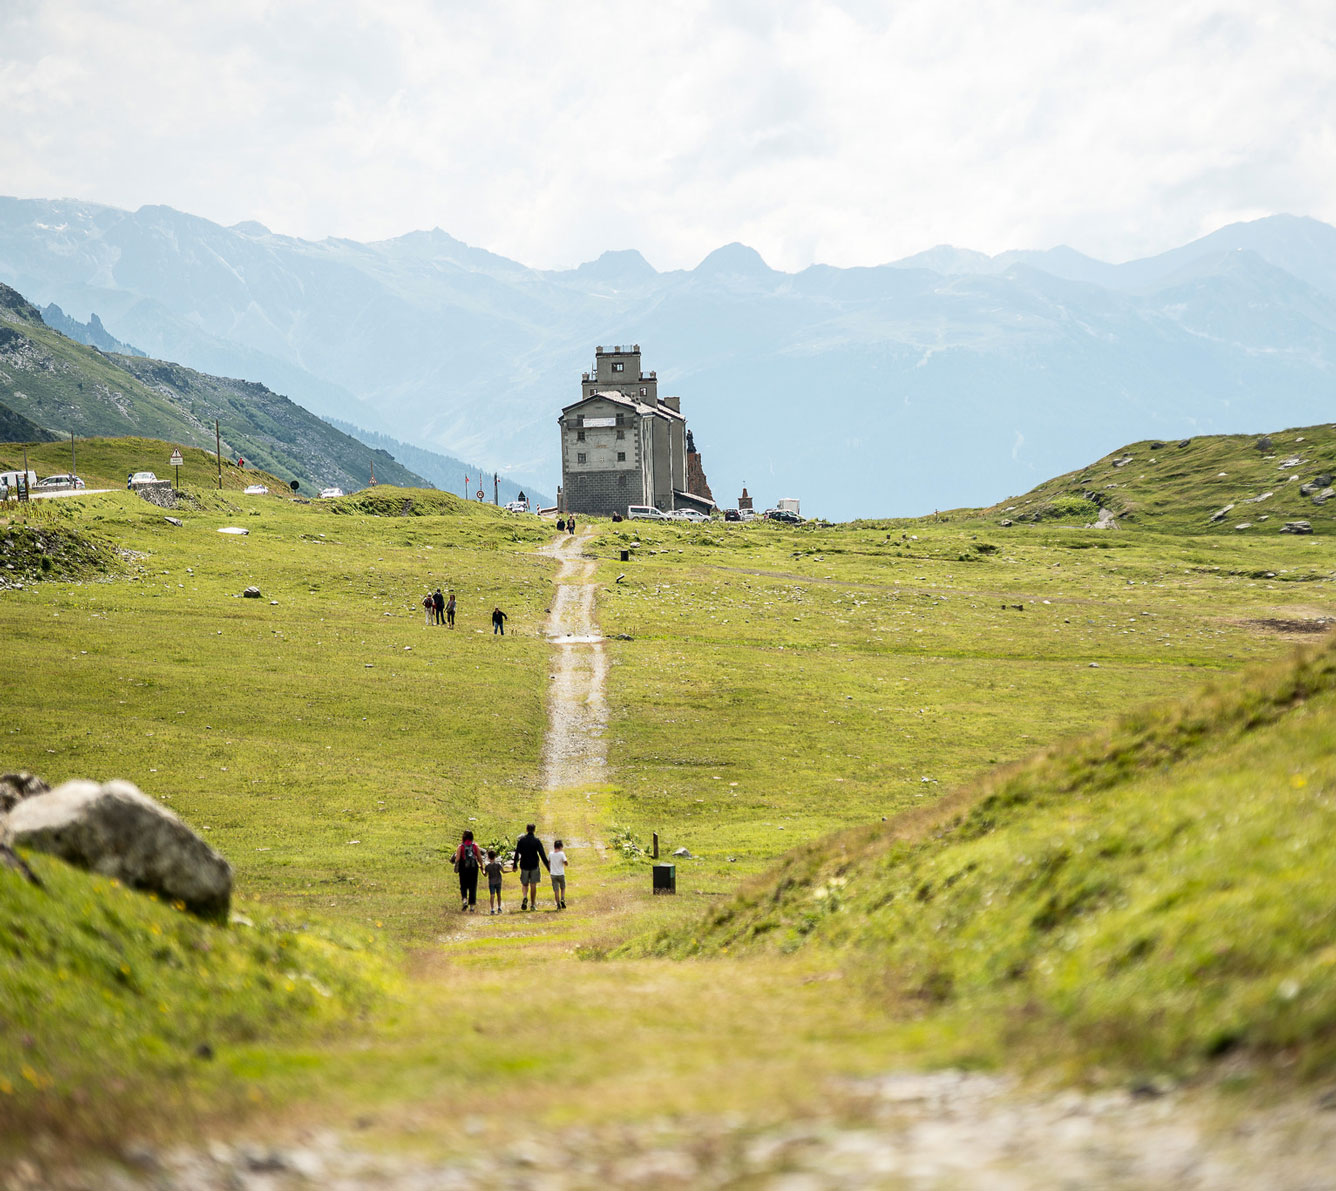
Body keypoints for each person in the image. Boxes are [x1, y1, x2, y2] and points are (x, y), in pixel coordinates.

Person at [513, 824, 549, 911]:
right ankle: (532, 905)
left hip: (524, 865)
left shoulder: (521, 841)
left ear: (526, 829)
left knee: (524, 884)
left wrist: (515, 865)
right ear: (534, 830)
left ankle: (525, 897)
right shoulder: (536, 841)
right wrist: (548, 866)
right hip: (534, 865)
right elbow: (542, 854)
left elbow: (517, 853)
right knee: (533, 885)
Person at [453, 830, 483, 912]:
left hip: (463, 869)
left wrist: (455, 866)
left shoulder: (460, 847)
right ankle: (472, 906)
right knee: (473, 886)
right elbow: (479, 858)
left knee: (463, 885)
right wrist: (482, 866)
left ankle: (465, 900)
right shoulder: (475, 846)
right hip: (473, 868)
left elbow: (458, 859)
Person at [549, 839, 569, 910]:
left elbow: (549, 862)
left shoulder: (551, 854)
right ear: (560, 847)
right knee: (562, 887)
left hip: (553, 874)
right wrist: (566, 863)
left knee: (556, 890)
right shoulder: (561, 854)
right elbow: (565, 862)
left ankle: (558, 904)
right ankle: (562, 898)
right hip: (561, 873)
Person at [485, 849, 505, 914]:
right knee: (499, 894)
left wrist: (482, 869)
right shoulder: (498, 864)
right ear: (495, 856)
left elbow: (485, 874)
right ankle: (499, 907)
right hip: (498, 881)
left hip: (491, 882)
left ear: (488, 857)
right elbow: (503, 871)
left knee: (492, 895)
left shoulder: (487, 866)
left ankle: (492, 909)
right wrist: (511, 871)